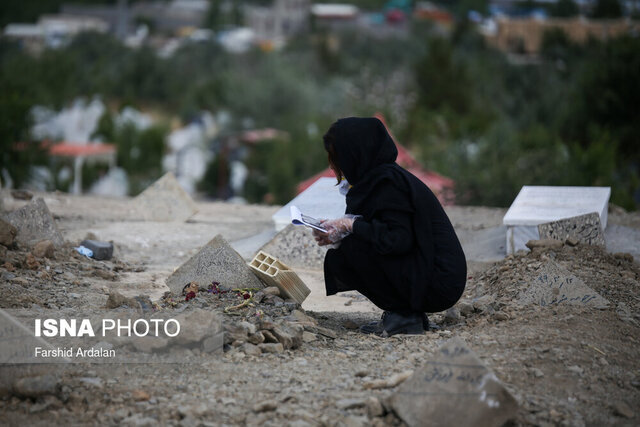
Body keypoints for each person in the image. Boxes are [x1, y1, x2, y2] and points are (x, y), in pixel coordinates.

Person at [312, 117, 467, 337]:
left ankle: (405, 315)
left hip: (439, 281)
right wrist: (338, 232)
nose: (333, 164)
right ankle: (405, 312)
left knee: (353, 249)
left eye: (338, 156)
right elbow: (376, 228)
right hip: (428, 273)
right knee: (349, 245)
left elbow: (397, 240)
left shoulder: (389, 184)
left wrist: (349, 225)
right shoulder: (377, 179)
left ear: (356, 153)